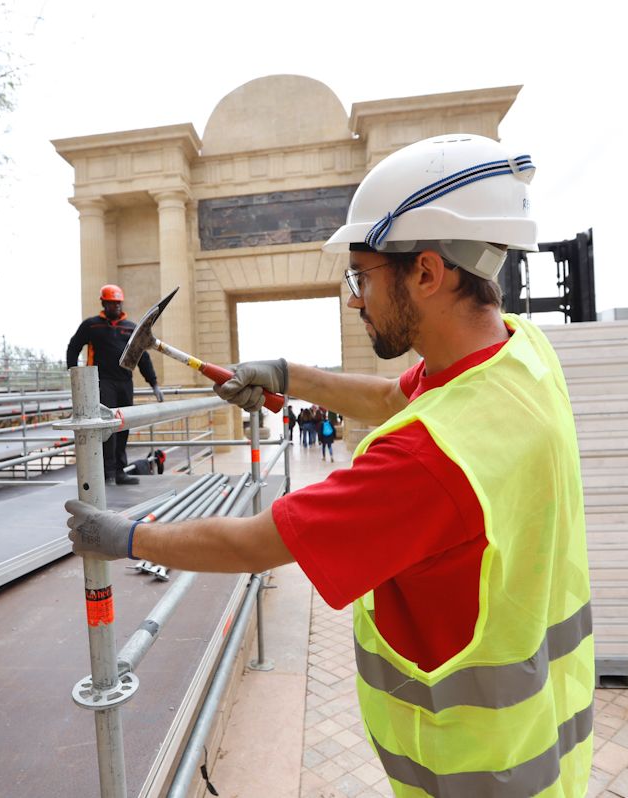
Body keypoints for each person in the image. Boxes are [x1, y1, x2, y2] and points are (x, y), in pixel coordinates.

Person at [65, 134, 594, 796]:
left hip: (471, 772)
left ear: (427, 272)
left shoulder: (428, 459)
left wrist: (125, 536)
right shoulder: (522, 357)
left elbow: (257, 543)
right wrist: (287, 373)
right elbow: (391, 394)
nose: (354, 299)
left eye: (361, 278)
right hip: (546, 748)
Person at [65, 284, 163, 485]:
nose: (115, 307)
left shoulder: (131, 328)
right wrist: (75, 376)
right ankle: (107, 473)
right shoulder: (91, 326)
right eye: (111, 303)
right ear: (103, 303)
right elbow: (73, 347)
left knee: (123, 425)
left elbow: (142, 357)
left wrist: (153, 383)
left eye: (118, 303)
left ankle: (119, 471)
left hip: (125, 382)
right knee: (108, 427)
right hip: (102, 383)